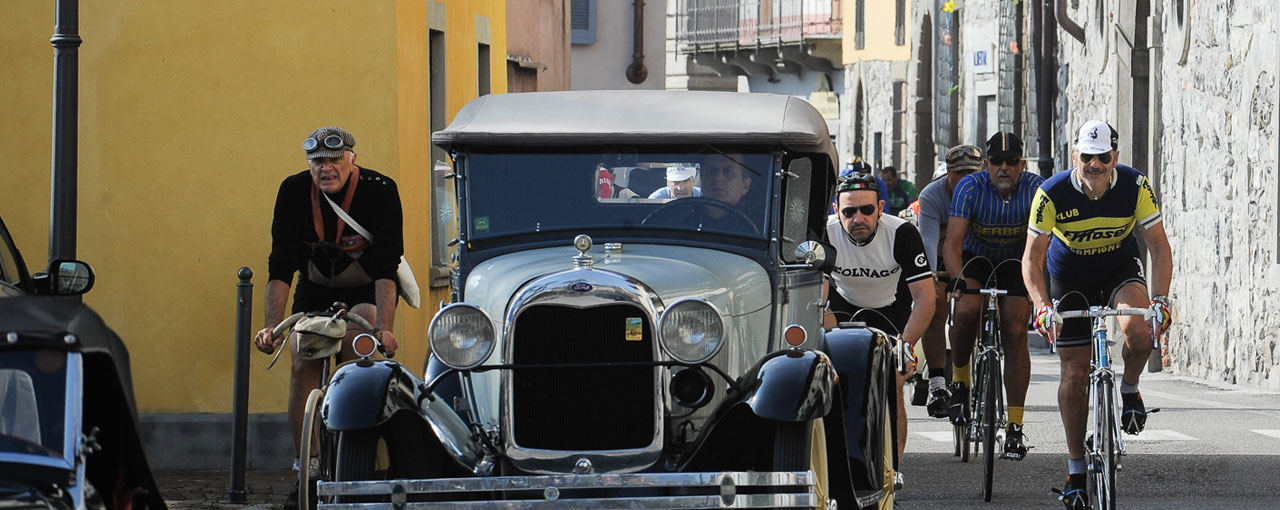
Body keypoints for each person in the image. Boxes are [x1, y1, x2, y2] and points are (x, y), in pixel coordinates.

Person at [1021, 120, 1173, 509]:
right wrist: (1041, 306)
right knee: (1074, 372)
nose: (1094, 165)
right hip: (1070, 277)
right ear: (1076, 157)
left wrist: (1161, 300)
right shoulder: (1050, 193)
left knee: (1138, 331)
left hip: (1119, 268)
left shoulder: (1135, 186)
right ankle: (1075, 470)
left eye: (1102, 158)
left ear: (1115, 159)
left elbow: (1158, 246)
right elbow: (1032, 259)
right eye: (1087, 157)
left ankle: (1129, 388)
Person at [252, 126, 404, 509]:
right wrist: (272, 325)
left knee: (358, 353)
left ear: (352, 159)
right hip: (316, 286)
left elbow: (387, 267)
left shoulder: (380, 189)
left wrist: (385, 329)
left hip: (365, 287)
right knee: (303, 361)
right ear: (309, 165)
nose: (326, 169)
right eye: (317, 162)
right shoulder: (292, 191)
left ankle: (356, 459)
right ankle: (309, 467)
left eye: (334, 160)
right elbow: (281, 264)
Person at [824, 173, 935, 488]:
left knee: (893, 379)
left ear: (880, 207)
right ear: (836, 210)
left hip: (892, 309)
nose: (858, 218)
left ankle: (893, 468)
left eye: (866, 210)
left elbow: (926, 298)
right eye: (848, 212)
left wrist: (906, 345)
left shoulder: (901, 233)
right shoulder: (827, 234)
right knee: (835, 378)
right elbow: (818, 302)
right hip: (843, 307)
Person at [943, 132, 1045, 460]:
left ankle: (1015, 426)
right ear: (986, 165)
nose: (1004, 168)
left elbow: (1045, 243)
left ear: (1022, 164)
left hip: (1017, 263)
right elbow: (953, 243)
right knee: (967, 309)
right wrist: (958, 279)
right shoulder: (970, 187)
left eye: (1011, 161)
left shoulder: (1035, 189)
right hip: (977, 260)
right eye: (997, 162)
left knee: (1015, 331)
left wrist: (1040, 285)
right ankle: (960, 380)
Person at [916, 146, 982, 419]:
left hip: (977, 252)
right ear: (948, 174)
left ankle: (986, 349)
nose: (966, 178)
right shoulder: (932, 195)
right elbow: (929, 241)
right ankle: (937, 383)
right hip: (943, 254)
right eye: (959, 173)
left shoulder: (986, 191)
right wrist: (930, 279)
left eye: (971, 172)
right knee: (935, 307)